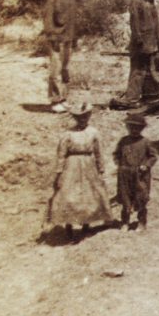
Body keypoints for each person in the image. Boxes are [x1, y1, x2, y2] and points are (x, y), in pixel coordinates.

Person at [43, 100, 113, 240]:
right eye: (79, 117)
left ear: (89, 117)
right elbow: (61, 154)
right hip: (72, 166)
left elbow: (99, 152)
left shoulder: (93, 132)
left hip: (88, 165)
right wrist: (59, 171)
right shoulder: (68, 134)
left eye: (85, 117)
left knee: (89, 195)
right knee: (69, 195)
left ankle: (85, 226)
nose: (82, 120)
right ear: (75, 118)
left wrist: (101, 168)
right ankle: (69, 227)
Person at [113, 0, 159, 109]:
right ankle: (132, 98)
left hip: (152, 41)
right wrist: (139, 40)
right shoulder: (135, 1)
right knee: (138, 70)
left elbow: (156, 20)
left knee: (154, 68)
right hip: (140, 42)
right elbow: (134, 22)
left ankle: (155, 95)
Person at [43, 0, 81, 114]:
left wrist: (74, 38)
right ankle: (55, 100)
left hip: (68, 38)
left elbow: (73, 19)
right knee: (55, 70)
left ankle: (64, 98)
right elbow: (47, 18)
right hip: (57, 38)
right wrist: (52, 36)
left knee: (65, 69)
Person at [113, 113, 156, 231]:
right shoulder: (123, 141)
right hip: (125, 174)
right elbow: (116, 154)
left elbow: (153, 156)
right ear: (127, 127)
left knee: (141, 197)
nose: (134, 130)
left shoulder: (145, 142)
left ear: (142, 128)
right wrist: (120, 165)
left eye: (138, 128)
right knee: (125, 197)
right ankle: (125, 222)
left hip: (141, 175)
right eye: (131, 127)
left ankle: (142, 222)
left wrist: (146, 165)